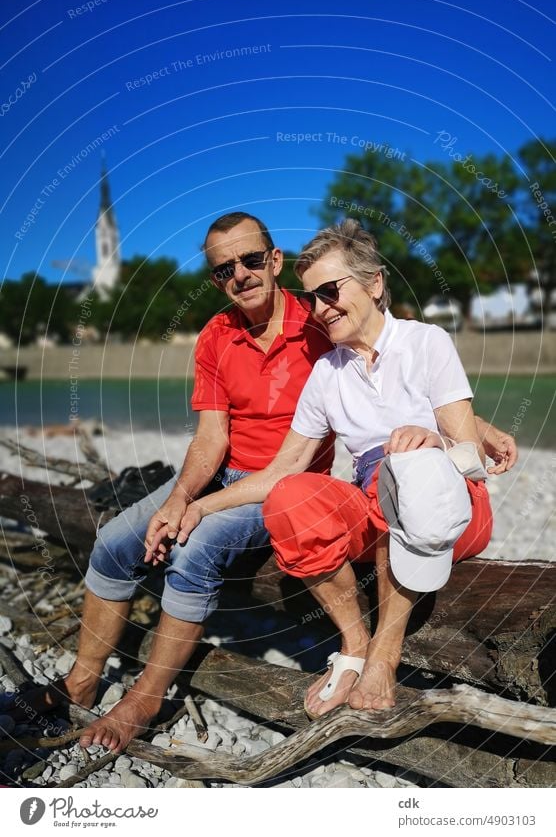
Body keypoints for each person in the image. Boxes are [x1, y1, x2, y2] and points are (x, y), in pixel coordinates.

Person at [14, 213, 515, 751]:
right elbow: (221, 443)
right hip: (251, 478)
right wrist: (184, 499)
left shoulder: (323, 324)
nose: (241, 274)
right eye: (224, 268)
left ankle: (147, 697)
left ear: (275, 261)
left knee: (199, 548)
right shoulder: (237, 339)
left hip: (372, 481)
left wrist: (467, 430)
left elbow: (415, 382)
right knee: (116, 541)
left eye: (252, 259)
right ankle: (81, 682)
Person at [165, 218, 507, 721]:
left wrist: (432, 439)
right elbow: (283, 469)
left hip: (450, 502)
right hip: (375, 502)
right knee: (291, 498)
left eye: (331, 291)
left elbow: (470, 456)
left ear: (374, 284)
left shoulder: (426, 342)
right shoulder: (328, 373)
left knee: (404, 474)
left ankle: (384, 658)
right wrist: (197, 505)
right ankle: (354, 642)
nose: (321, 309)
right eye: (313, 297)